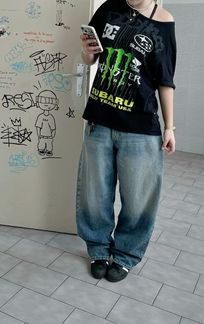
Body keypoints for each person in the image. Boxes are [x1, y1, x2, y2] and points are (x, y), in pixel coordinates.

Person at [76, 0, 176, 282]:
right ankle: (97, 248)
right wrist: (86, 52)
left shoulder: (164, 22)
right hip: (99, 119)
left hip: (140, 126)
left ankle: (125, 255)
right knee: (94, 194)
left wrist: (170, 127)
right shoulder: (109, 8)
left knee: (138, 198)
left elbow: (165, 80)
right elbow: (90, 58)